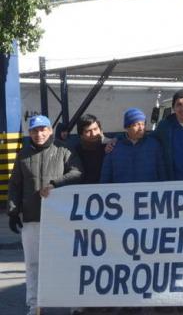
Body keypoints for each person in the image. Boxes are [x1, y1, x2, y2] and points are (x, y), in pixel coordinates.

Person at [8, 115, 83, 315]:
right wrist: (13, 211)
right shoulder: (23, 155)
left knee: (66, 261)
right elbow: (15, 185)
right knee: (33, 265)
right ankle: (34, 306)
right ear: (30, 133)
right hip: (32, 218)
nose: (39, 134)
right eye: (34, 130)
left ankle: (74, 304)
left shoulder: (64, 150)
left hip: (61, 219)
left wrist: (54, 184)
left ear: (50, 130)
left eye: (42, 129)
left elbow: (77, 172)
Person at [100, 108, 165, 183]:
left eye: (143, 124)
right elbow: (106, 175)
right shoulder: (113, 146)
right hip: (122, 189)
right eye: (136, 125)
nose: (141, 128)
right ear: (127, 127)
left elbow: (162, 171)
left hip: (149, 189)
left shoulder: (154, 145)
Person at [74, 114, 113, 185]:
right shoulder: (75, 152)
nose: (93, 134)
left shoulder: (110, 147)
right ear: (81, 135)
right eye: (88, 131)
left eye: (95, 129)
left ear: (101, 130)